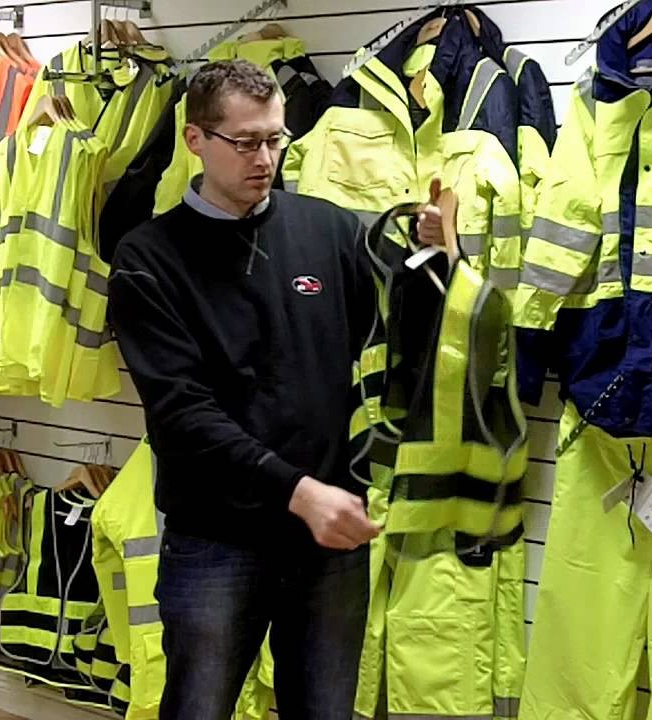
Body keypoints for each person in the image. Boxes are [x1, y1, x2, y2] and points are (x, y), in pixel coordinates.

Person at [108, 60, 446, 720]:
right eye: (244, 142)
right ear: (195, 139)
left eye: (274, 139)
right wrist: (299, 491)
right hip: (217, 539)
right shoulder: (148, 258)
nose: (264, 159)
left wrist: (434, 257)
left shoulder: (332, 231)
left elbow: (402, 338)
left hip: (326, 537)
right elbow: (181, 415)